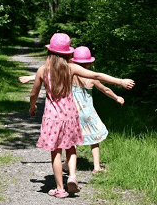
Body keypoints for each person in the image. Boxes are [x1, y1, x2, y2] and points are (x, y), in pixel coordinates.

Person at [28, 33, 135, 198]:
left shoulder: (43, 70)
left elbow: (33, 93)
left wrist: (32, 106)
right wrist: (120, 81)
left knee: (56, 152)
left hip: (52, 117)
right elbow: (97, 76)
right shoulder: (71, 68)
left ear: (50, 51)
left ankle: (60, 189)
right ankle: (71, 176)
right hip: (70, 115)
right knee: (70, 148)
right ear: (68, 53)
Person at [20, 46, 128, 174]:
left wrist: (30, 77)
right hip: (88, 113)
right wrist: (117, 95)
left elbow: (51, 74)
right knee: (95, 139)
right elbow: (105, 89)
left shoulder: (68, 74)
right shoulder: (89, 78)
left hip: (71, 112)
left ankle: (66, 164)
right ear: (90, 63)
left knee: (70, 141)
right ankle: (96, 166)